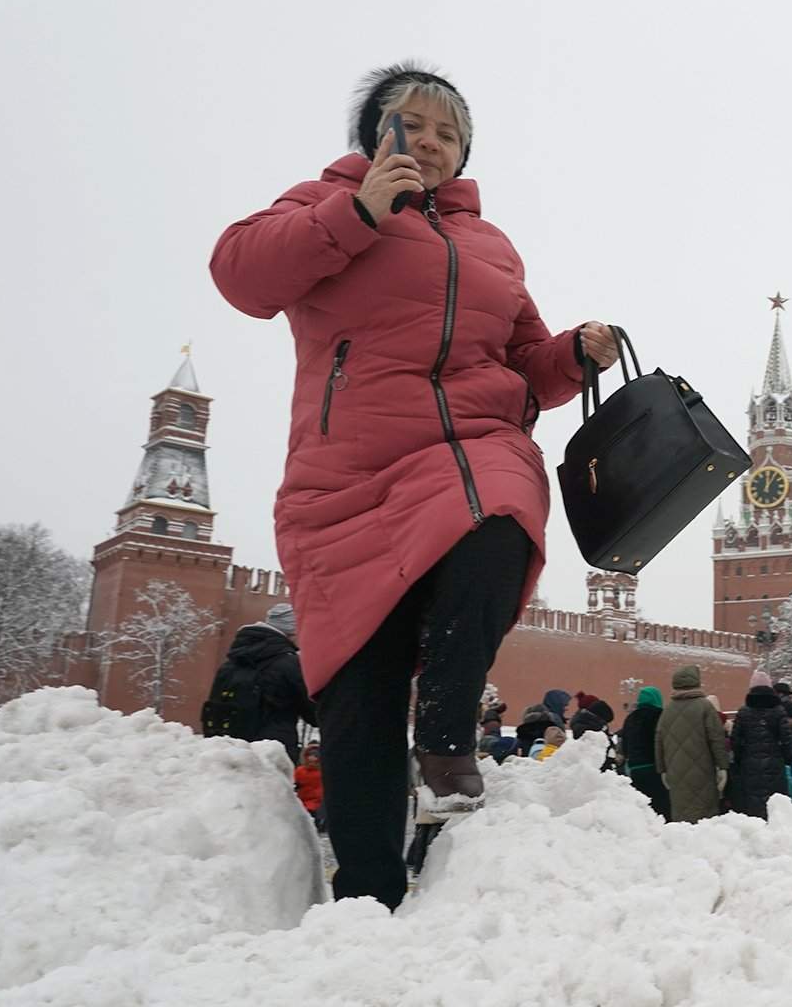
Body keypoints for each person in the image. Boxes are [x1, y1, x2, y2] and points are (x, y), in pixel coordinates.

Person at [210, 62, 621, 910]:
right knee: (359, 696)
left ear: (464, 150)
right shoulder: (322, 203)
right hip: (347, 472)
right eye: (412, 124)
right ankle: (368, 905)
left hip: (469, 447)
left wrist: (574, 354)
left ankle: (445, 733)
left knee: (505, 517)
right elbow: (240, 275)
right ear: (374, 135)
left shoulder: (491, 246)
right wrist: (355, 213)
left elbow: (525, 366)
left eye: (447, 131)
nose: (430, 142)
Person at [201, 602, 315, 766]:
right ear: (291, 631)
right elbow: (314, 713)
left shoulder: (230, 664)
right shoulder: (290, 664)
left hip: (226, 754)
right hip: (272, 755)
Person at [655, 666, 730, 823]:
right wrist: (722, 766)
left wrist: (662, 769)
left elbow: (659, 741)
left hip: (675, 773)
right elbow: (716, 738)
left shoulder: (667, 710)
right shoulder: (705, 707)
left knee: (682, 816)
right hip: (704, 772)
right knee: (705, 817)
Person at [728, 671, 792, 819]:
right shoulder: (778, 711)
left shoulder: (743, 712)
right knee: (775, 805)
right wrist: (787, 758)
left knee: (753, 804)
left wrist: (741, 759)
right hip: (774, 764)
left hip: (750, 765)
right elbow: (787, 739)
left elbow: (735, 741)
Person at [619, 686, 671, 820]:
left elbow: (624, 746)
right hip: (655, 768)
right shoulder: (660, 716)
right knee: (661, 808)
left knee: (643, 809)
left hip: (634, 769)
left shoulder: (630, 719)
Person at [516, 689, 575, 757]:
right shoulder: (553, 721)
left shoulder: (523, 730)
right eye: (564, 705)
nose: (566, 708)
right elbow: (560, 741)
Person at [293, 742, 326, 830]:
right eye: (310, 755)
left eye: (315, 756)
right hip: (303, 799)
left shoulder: (322, 772)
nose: (312, 759)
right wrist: (296, 785)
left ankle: (320, 824)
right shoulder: (300, 771)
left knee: (316, 812)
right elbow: (294, 781)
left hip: (317, 801)